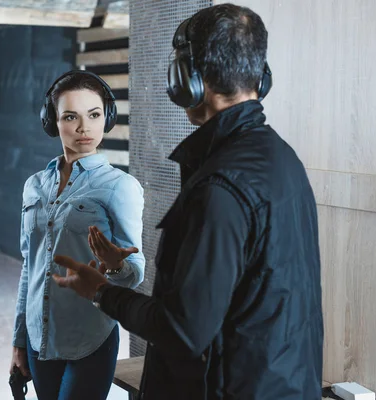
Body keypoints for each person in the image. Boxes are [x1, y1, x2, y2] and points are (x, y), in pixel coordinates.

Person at [53, 4, 324, 400]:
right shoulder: (282, 159)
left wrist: (100, 290)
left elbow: (182, 331)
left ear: (188, 80)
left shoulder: (219, 187)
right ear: (259, 78)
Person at [10, 70, 146, 400]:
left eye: (94, 115)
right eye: (71, 116)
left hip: (90, 339)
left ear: (107, 118)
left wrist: (115, 266)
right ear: (52, 121)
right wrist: (18, 340)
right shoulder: (34, 185)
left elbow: (134, 274)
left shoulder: (120, 187)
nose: (84, 128)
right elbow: (30, 267)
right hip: (38, 338)